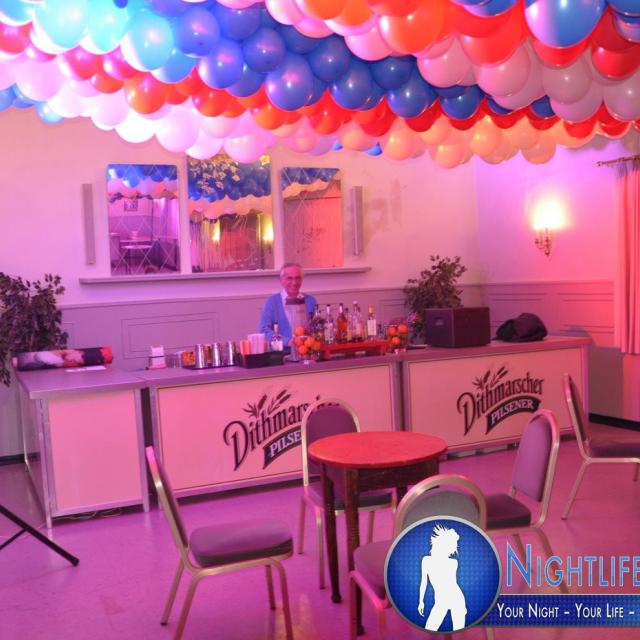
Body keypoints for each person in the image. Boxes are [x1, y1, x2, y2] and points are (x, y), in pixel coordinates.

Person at [417, 524, 467, 632]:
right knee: (429, 628)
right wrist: (421, 601)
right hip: (441, 601)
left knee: (459, 632)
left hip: (456, 599)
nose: (453, 549)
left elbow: (452, 584)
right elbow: (423, 583)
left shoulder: (453, 563)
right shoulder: (426, 561)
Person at [259, 263, 317, 344]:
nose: (294, 282)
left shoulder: (311, 301)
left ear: (302, 279)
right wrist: (286, 341)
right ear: (281, 280)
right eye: (289, 278)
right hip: (283, 350)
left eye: (297, 278)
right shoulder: (271, 303)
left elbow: (316, 327)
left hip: (307, 349)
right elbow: (264, 331)